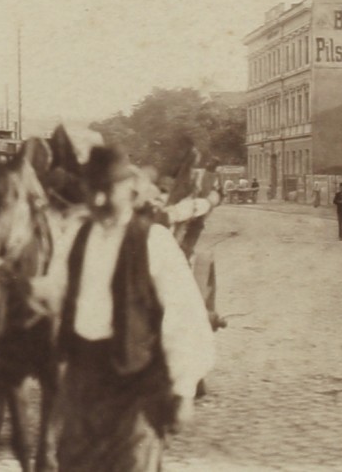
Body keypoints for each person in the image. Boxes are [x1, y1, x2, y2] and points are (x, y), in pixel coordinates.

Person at [41, 146, 215, 472]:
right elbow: (53, 292)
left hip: (137, 383)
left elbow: (184, 318)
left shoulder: (154, 242)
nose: (98, 201)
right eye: (92, 191)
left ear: (129, 190)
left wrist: (183, 390)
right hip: (83, 381)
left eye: (107, 190)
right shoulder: (77, 237)